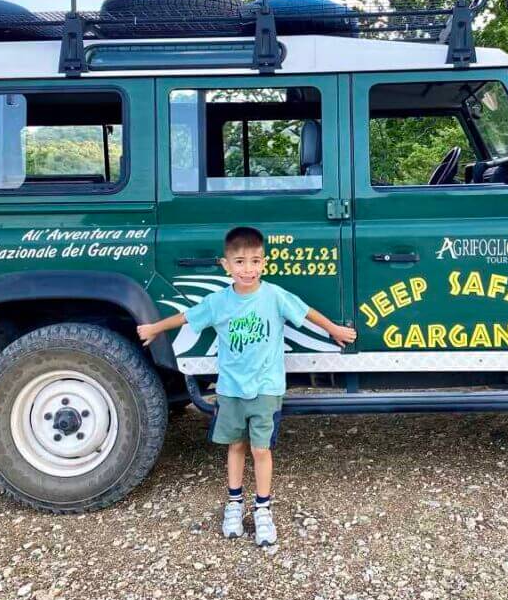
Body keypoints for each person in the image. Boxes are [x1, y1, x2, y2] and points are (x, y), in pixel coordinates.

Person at [137, 226, 357, 546]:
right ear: (226, 265)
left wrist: (334, 329)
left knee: (261, 449)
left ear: (264, 263)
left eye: (255, 261)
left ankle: (263, 510)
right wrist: (155, 328)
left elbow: (305, 311)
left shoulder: (274, 296)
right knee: (236, 446)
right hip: (230, 389)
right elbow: (187, 317)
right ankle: (234, 503)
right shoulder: (218, 302)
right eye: (240, 262)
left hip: (266, 387)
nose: (248, 269)